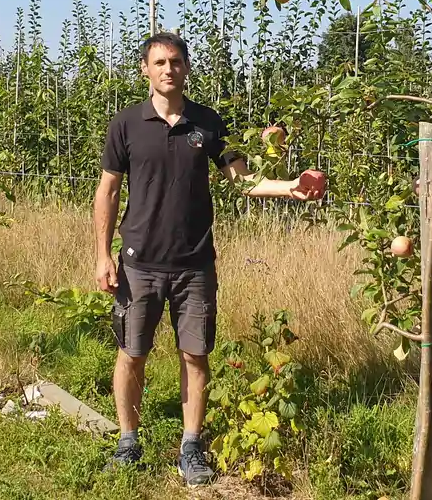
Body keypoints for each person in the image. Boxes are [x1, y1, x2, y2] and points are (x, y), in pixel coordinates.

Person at [92, 32, 324, 487]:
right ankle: (128, 439)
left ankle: (191, 445)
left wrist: (290, 188)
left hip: (195, 263)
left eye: (175, 61)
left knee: (195, 354)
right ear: (145, 69)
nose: (167, 69)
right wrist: (102, 254)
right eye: (158, 62)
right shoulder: (126, 124)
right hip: (139, 262)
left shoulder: (208, 123)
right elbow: (108, 190)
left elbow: (240, 181)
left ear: (186, 67)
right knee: (131, 352)